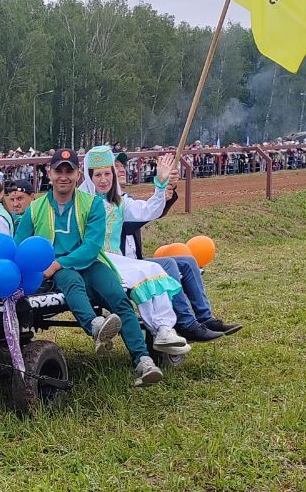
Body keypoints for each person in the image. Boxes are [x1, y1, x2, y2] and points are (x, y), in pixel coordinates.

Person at [15, 148, 163, 387]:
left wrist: (59, 263)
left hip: (88, 263)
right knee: (71, 282)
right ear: (49, 174)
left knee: (119, 297)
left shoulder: (92, 204)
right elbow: (19, 243)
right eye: (58, 171)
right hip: (57, 269)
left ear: (77, 175)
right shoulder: (35, 208)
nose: (63, 176)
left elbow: (92, 245)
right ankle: (95, 326)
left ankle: (143, 360)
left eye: (69, 171)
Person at [115, 154, 241, 341]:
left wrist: (167, 191)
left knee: (188, 261)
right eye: (116, 166)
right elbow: (130, 223)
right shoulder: (103, 203)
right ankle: (185, 322)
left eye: (122, 166)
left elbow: (149, 212)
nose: (122, 169)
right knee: (168, 265)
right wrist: (159, 195)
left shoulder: (125, 198)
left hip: (136, 262)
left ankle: (205, 318)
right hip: (122, 266)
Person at [82, 147, 188, 354]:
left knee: (154, 270)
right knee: (142, 272)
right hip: (96, 261)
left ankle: (164, 328)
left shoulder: (119, 202)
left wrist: (160, 185)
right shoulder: (81, 202)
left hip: (117, 259)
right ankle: (160, 328)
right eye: (98, 175)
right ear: (89, 176)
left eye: (107, 173)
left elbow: (149, 211)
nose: (103, 180)